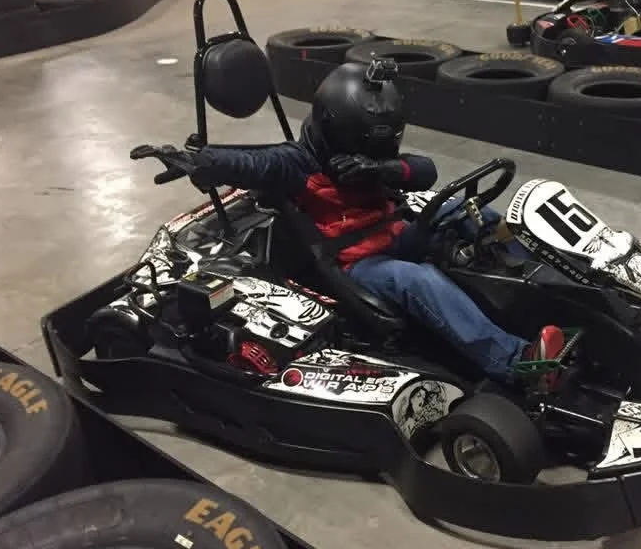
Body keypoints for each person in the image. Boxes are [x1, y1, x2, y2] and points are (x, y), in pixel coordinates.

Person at [162, 61, 567, 391]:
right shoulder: (297, 163)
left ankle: (549, 289)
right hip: (358, 263)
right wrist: (199, 161)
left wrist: (383, 168)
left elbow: (425, 171)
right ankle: (516, 363)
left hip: (396, 231)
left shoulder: (373, 161)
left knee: (473, 210)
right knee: (419, 280)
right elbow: (252, 163)